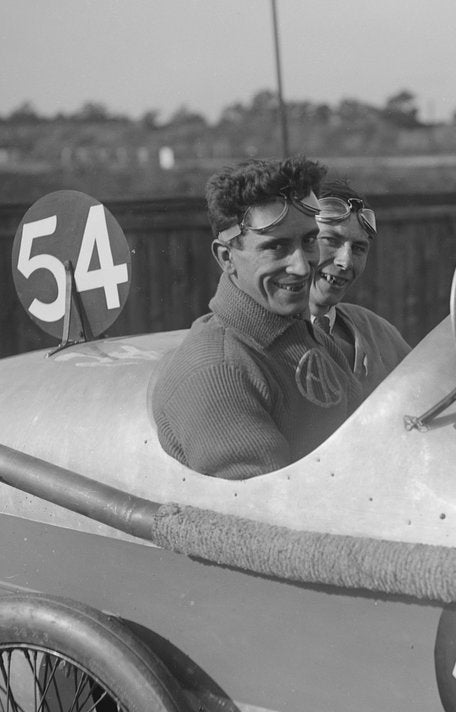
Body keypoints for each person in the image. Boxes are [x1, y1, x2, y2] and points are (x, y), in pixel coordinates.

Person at [152, 157, 361, 480]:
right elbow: (265, 517)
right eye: (276, 247)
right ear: (226, 257)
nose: (303, 267)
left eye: (308, 241)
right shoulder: (219, 371)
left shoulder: (305, 334)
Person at [309, 179, 411, 397]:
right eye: (330, 241)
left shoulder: (378, 333)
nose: (345, 262)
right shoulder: (264, 335)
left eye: (358, 248)